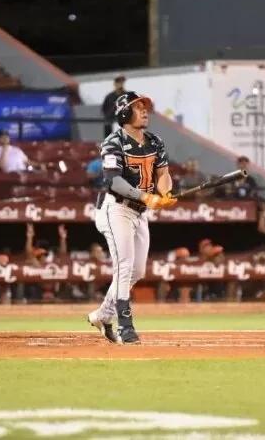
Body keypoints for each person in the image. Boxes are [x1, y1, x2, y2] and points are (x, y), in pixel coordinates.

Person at [87, 91, 177, 344]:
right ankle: (126, 327)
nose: (145, 111)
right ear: (124, 113)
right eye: (138, 107)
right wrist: (147, 197)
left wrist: (165, 191)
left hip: (139, 212)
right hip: (114, 208)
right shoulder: (112, 142)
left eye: (145, 107)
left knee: (136, 271)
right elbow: (113, 181)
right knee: (124, 266)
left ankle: (103, 315)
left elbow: (163, 174)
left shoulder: (155, 141)